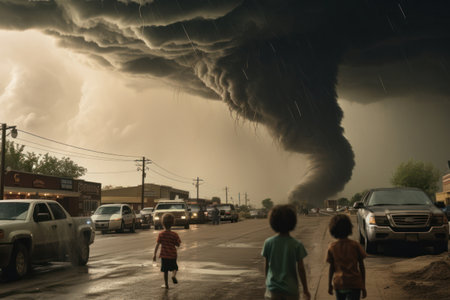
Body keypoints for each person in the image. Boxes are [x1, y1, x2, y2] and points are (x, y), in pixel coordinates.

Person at [262, 205, 311, 300]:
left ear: (273, 222)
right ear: (293, 222)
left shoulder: (268, 242)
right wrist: (305, 289)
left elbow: (267, 266)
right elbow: (301, 268)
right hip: (290, 290)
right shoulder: (297, 244)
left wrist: (267, 282)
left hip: (272, 289)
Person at [327, 214, 367, 300]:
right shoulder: (355, 245)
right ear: (349, 228)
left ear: (333, 229)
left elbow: (331, 268)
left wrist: (329, 284)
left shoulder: (332, 247)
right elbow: (362, 266)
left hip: (339, 284)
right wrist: (363, 286)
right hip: (354, 284)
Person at [153, 213, 181, 289]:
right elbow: (178, 244)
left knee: (165, 271)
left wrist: (154, 254)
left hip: (164, 255)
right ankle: (173, 275)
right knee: (174, 267)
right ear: (172, 223)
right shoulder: (174, 234)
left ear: (163, 223)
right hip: (172, 255)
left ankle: (166, 284)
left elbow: (157, 245)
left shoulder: (161, 234)